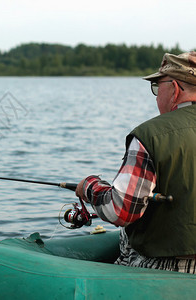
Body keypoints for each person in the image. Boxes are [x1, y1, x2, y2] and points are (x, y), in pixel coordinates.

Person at [75, 51, 196, 274]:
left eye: (157, 87)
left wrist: (90, 187)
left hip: (166, 269)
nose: (157, 95)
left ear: (175, 89)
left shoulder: (151, 134)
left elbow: (120, 211)